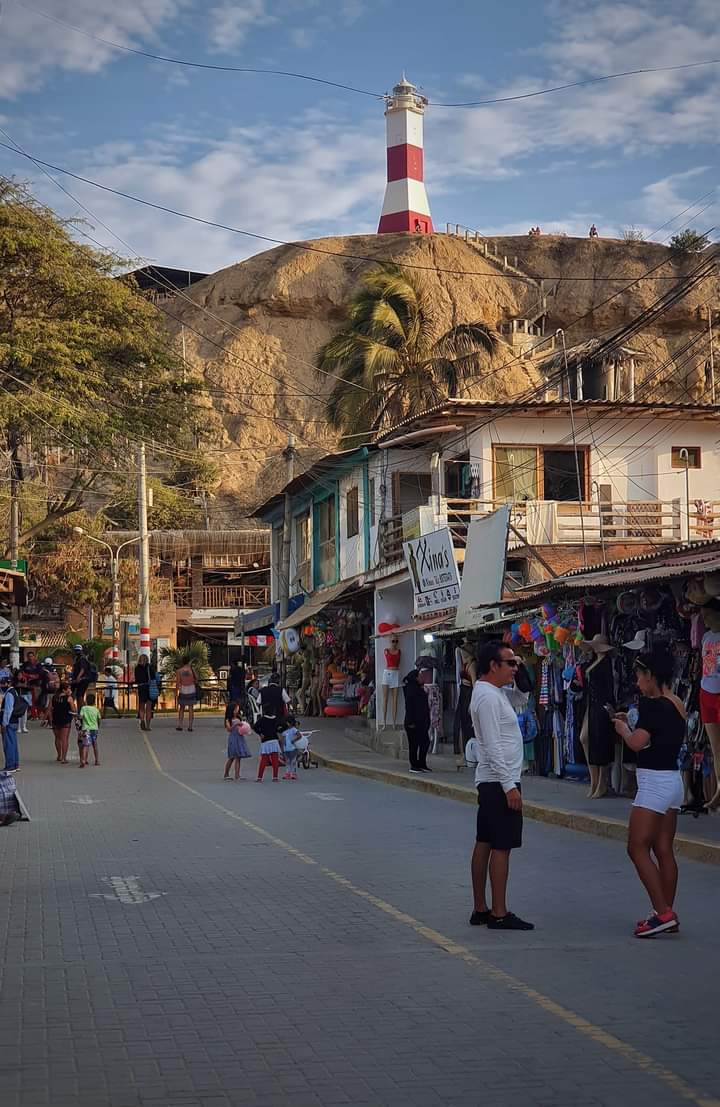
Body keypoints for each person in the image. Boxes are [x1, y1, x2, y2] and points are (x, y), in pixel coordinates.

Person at [613, 648, 686, 938]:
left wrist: (622, 728)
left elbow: (636, 743)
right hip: (673, 781)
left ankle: (663, 913)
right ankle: (666, 912)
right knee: (664, 849)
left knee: (637, 847)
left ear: (651, 676)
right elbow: (655, 737)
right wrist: (633, 725)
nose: (637, 681)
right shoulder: (676, 703)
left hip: (653, 783)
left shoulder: (651, 705)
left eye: (640, 675)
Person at [468, 641, 534, 931]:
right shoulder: (486, 698)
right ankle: (498, 911)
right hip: (498, 780)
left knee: (485, 841)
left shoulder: (495, 693)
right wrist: (510, 786)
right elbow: (492, 746)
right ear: (493, 666)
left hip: (494, 779)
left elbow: (521, 699)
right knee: (501, 846)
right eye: (510, 663)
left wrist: (520, 676)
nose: (514, 667)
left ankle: (481, 908)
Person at [403, 669, 431, 774]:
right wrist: (410, 722)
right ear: (415, 678)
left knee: (425, 742)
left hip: (421, 722)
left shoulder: (419, 689)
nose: (421, 678)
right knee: (414, 744)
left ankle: (421, 763)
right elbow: (409, 707)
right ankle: (414, 765)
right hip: (413, 722)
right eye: (419, 676)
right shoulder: (411, 690)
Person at [1, 676, 26, 773]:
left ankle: (10, 765)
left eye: (3, 684)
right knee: (13, 743)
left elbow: (8, 710)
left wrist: (4, 723)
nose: (1, 685)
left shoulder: (9, 694)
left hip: (9, 722)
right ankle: (15, 764)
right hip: (14, 721)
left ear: (8, 683)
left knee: (9, 744)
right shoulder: (14, 691)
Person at [224, 702, 252, 780]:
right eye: (236, 709)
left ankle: (237, 775)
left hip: (239, 737)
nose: (237, 710)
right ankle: (226, 773)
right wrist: (236, 725)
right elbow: (229, 729)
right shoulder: (228, 719)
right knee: (232, 757)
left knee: (238, 757)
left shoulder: (239, 717)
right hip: (233, 738)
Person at [50, 681, 76, 764]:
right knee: (64, 739)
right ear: (64, 690)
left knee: (57, 738)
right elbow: (73, 710)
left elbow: (50, 708)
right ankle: (64, 758)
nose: (70, 690)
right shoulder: (69, 698)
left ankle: (59, 755)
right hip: (65, 720)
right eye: (68, 688)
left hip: (55, 719)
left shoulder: (54, 697)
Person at [78, 692, 101, 768]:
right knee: (95, 745)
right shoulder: (96, 709)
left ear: (86, 701)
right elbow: (99, 719)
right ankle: (97, 760)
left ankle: (83, 760)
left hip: (86, 729)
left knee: (85, 745)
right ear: (94, 701)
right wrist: (98, 726)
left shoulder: (84, 708)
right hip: (94, 729)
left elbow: (80, 717)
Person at [134, 654, 156, 732]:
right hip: (149, 688)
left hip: (141, 688)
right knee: (149, 708)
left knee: (142, 707)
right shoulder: (150, 667)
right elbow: (153, 677)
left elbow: (136, 679)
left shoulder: (137, 668)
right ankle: (148, 725)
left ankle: (142, 720)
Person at [175, 659, 198, 732]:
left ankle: (180, 725)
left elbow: (178, 682)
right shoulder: (191, 670)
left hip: (183, 689)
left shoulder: (179, 671)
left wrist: (176, 691)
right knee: (191, 708)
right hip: (191, 688)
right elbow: (196, 678)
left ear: (182, 662)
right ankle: (190, 726)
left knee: (182, 708)